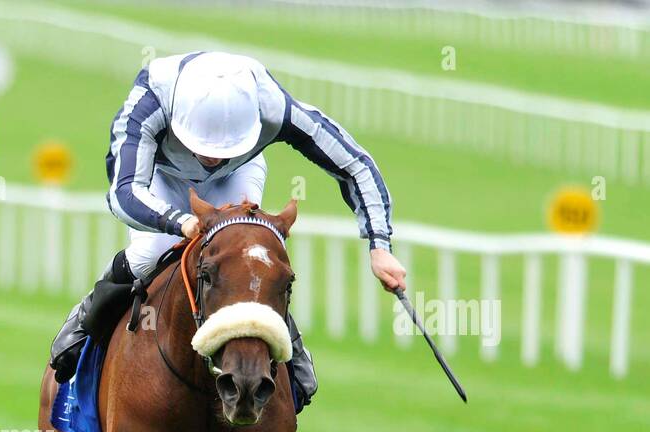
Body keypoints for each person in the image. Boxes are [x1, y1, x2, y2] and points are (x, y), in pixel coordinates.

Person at [49, 51, 408, 407]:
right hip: (162, 177)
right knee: (150, 252)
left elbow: (355, 164)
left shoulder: (271, 105)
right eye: (205, 148)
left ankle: (292, 347)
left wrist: (379, 246)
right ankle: (85, 320)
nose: (213, 158)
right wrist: (181, 222)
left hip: (238, 174)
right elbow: (123, 192)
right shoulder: (150, 101)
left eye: (223, 148)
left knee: (245, 258)